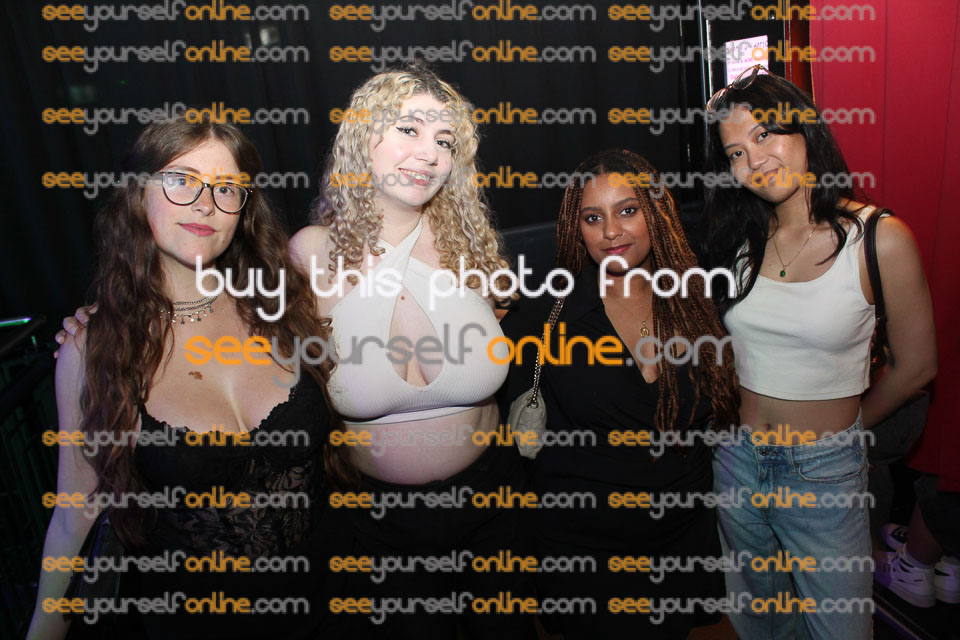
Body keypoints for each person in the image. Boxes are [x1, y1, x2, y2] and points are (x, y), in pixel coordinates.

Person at [29, 115, 342, 639]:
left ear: (243, 210)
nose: (205, 204)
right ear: (138, 194)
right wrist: (43, 629)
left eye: (226, 188)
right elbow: (74, 513)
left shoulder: (284, 302)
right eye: (182, 180)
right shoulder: (96, 348)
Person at [288, 65, 534, 639]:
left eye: (444, 141)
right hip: (377, 528)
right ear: (362, 138)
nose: (429, 154)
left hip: (494, 507)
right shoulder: (311, 255)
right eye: (408, 130)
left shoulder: (469, 248)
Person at [701, 66, 937, 639]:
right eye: (735, 153)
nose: (754, 160)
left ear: (806, 131)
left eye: (764, 135)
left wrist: (844, 432)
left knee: (840, 627)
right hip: (736, 458)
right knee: (759, 618)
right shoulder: (741, 240)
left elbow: (917, 368)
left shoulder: (879, 238)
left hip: (822, 469)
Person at [498, 149, 740, 639]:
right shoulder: (544, 319)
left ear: (658, 212)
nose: (611, 231)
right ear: (576, 229)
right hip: (586, 556)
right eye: (593, 218)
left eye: (627, 210)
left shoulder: (698, 305)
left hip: (679, 545)